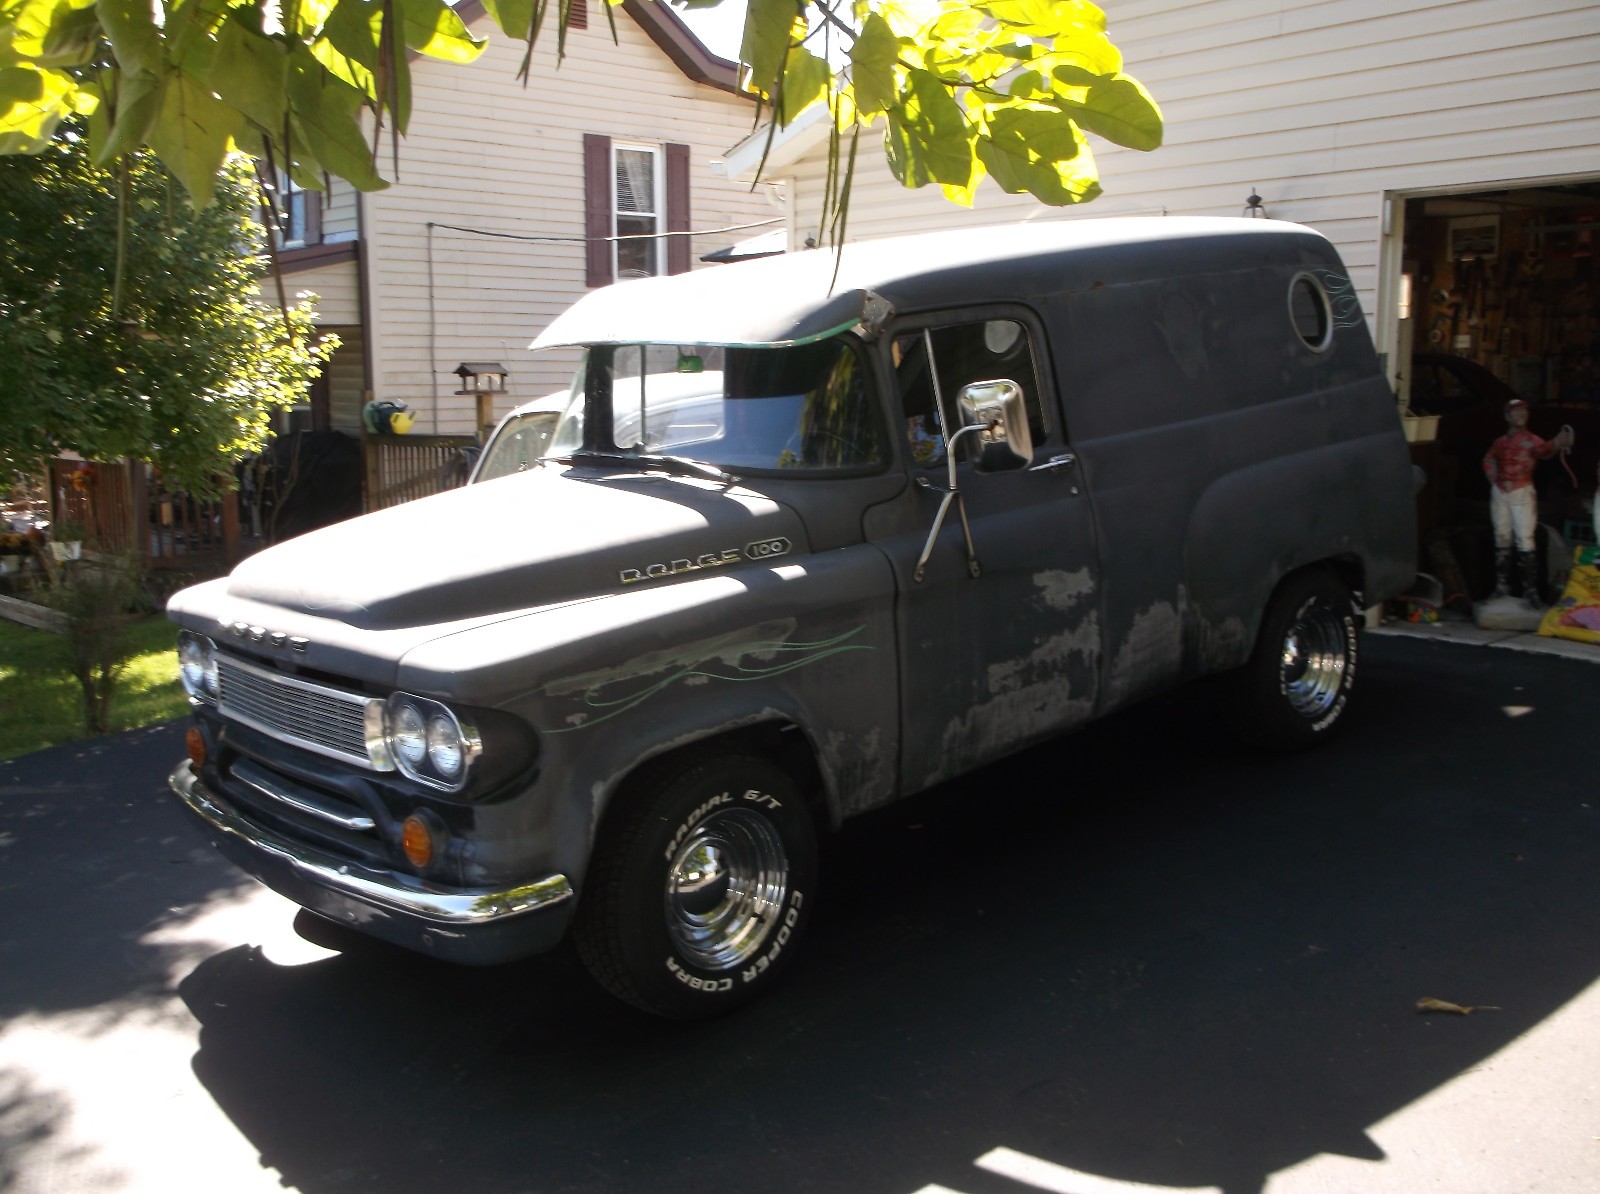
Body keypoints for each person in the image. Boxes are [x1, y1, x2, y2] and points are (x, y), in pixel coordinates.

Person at [1482, 398, 1574, 605]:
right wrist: (1493, 476)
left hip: (1521, 490)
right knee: (1502, 536)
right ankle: (1501, 587)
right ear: (1507, 416)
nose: (1521, 415)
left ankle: (1529, 591)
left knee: (1525, 538)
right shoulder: (1500, 442)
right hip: (1501, 491)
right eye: (1516, 411)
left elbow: (1545, 450)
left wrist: (1558, 442)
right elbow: (1489, 458)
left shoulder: (1532, 440)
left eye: (1524, 411)